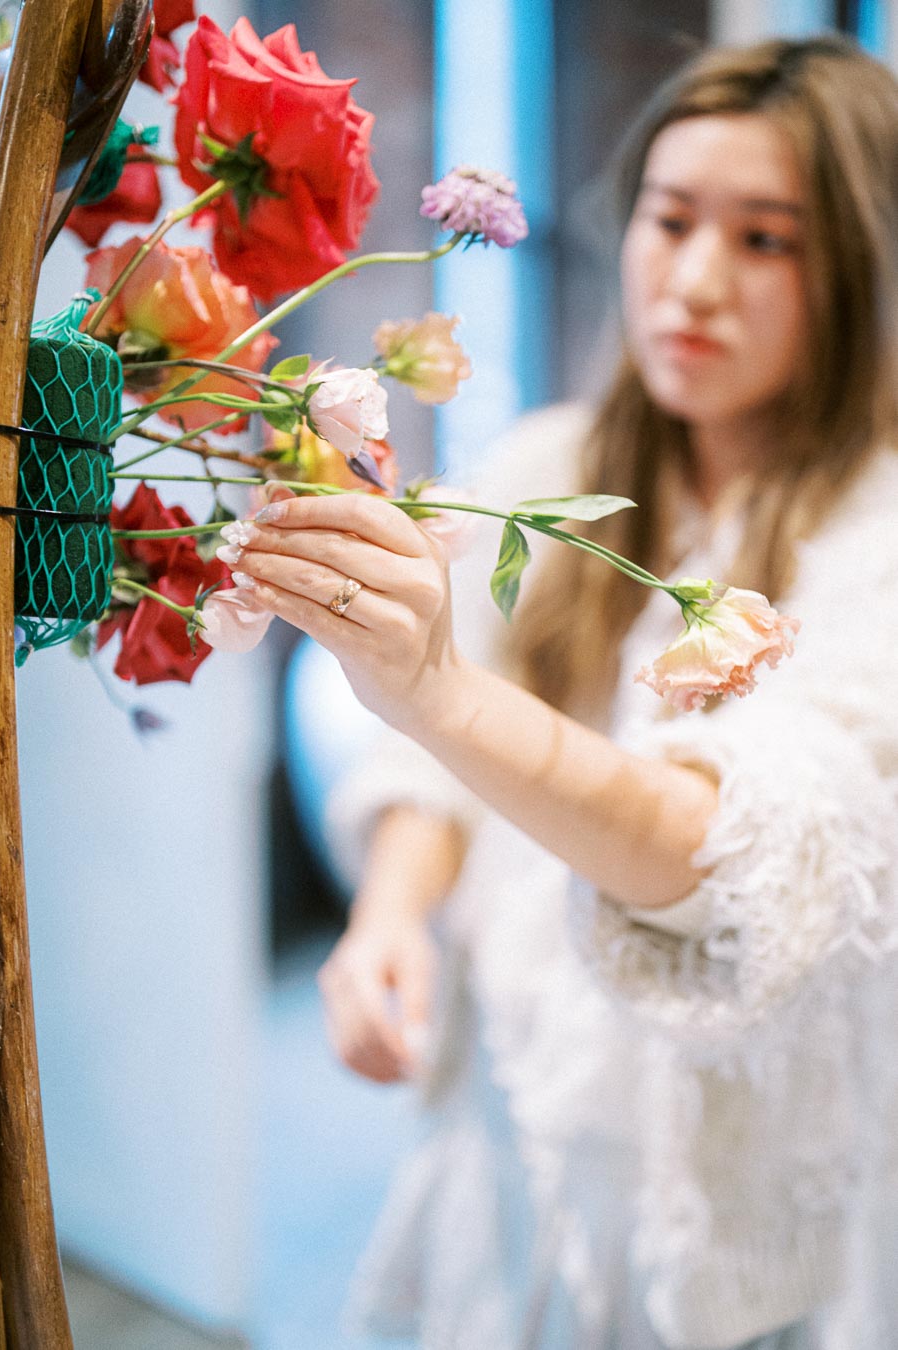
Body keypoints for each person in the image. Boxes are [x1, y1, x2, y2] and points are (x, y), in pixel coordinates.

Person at [228, 34, 898, 1350]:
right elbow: (434, 773)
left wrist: (429, 689)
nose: (695, 280)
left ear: (864, 274)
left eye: (767, 240)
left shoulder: (877, 530)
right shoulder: (546, 466)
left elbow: (736, 849)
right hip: (524, 1108)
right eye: (671, 217)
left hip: (743, 1177)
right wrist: (393, 911)